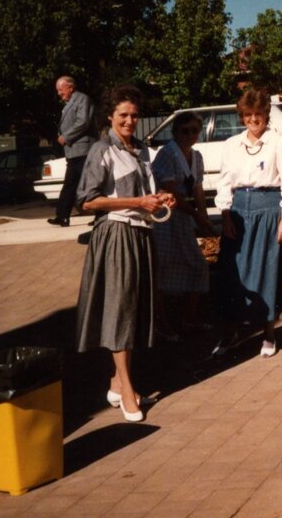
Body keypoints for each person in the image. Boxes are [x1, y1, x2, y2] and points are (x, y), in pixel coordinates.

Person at [75, 85, 176, 422]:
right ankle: (128, 390)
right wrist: (136, 202)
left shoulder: (142, 150)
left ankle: (118, 384)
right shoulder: (101, 150)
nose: (130, 120)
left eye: (134, 115)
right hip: (116, 234)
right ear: (110, 117)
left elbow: (145, 193)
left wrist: (160, 198)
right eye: (123, 115)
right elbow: (87, 201)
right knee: (120, 310)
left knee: (133, 309)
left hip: (142, 234)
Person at [214, 89, 282, 359]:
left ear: (267, 115)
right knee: (232, 274)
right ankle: (229, 334)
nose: (254, 120)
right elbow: (225, 181)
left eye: (259, 114)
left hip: (269, 211)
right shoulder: (232, 144)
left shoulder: (280, 142)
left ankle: (269, 334)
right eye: (249, 115)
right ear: (242, 116)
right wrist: (226, 214)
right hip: (239, 212)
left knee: (269, 271)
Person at [151, 112, 214, 336]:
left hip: (185, 217)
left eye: (194, 131)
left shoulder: (196, 156)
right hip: (166, 217)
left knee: (198, 266)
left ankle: (189, 318)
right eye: (184, 131)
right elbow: (172, 192)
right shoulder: (167, 154)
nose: (189, 135)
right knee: (161, 269)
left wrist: (204, 217)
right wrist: (196, 216)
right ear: (175, 132)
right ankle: (161, 323)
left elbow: (197, 189)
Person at [48, 75, 96, 227]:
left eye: (60, 90)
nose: (59, 93)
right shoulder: (69, 103)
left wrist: (66, 137)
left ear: (70, 87)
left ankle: (101, 215)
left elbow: (83, 122)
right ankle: (62, 216)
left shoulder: (82, 99)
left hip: (84, 150)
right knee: (69, 184)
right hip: (74, 152)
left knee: (91, 185)